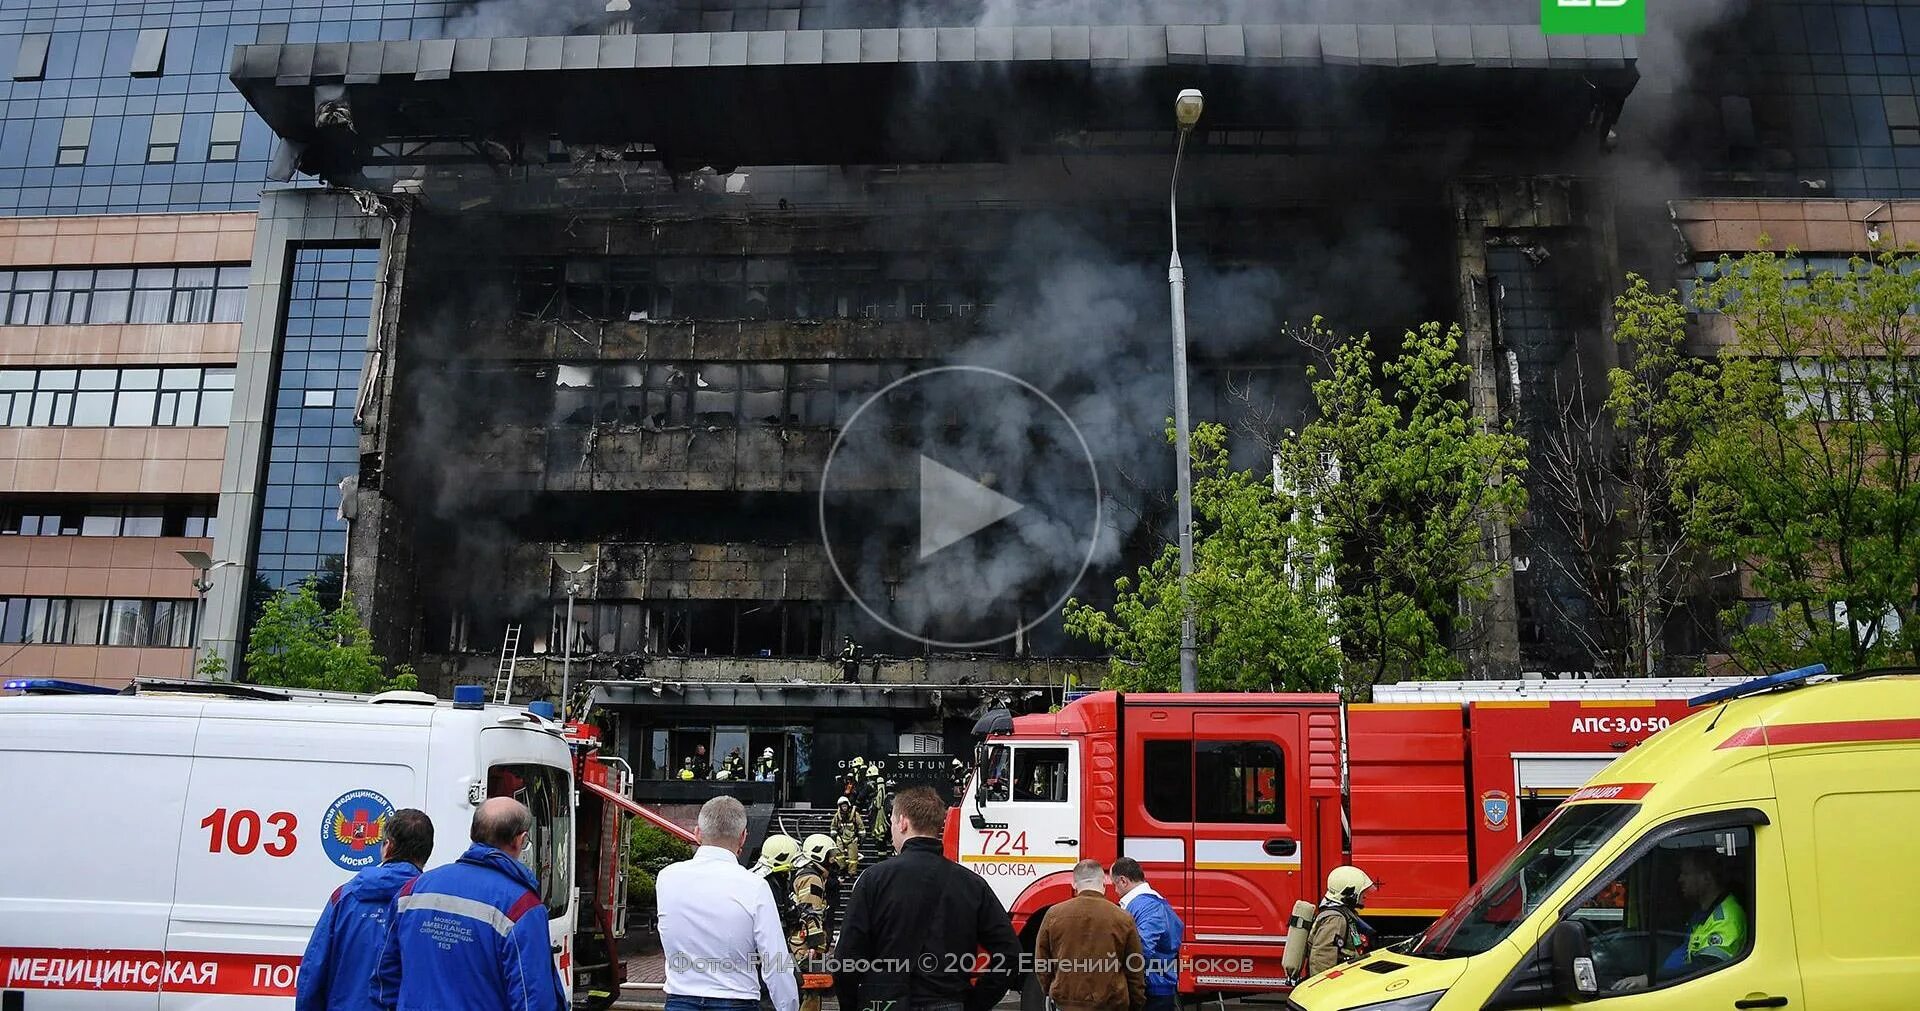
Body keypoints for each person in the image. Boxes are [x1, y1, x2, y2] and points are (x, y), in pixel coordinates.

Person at [832, 786, 1021, 1011]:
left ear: (902, 822)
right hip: (949, 1002)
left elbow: (846, 958)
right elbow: (1011, 954)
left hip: (884, 1003)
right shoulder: (971, 884)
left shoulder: (873, 880)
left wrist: (853, 1004)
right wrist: (975, 1003)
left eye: (892, 822)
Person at [371, 797, 565, 1011]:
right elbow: (533, 1001)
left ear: (473, 833)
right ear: (520, 840)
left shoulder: (413, 890)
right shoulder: (522, 908)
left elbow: (384, 977)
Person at [656, 797, 799, 1011]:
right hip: (737, 999)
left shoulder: (667, 878)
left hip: (681, 998)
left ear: (697, 833)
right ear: (743, 837)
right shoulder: (755, 886)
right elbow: (775, 962)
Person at [297, 809, 434, 1011]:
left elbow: (313, 972)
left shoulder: (344, 897)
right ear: (426, 853)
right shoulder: (431, 904)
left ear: (388, 846)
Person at [1613, 850, 1749, 991]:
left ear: (1706, 878)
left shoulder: (1726, 919)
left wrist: (1650, 980)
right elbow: (1681, 955)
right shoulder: (1702, 914)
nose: (1680, 879)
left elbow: (1705, 966)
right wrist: (1654, 980)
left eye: (1686, 873)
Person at [1033, 859, 1145, 1011]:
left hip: (1067, 1003)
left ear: (1074, 885)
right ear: (1104, 884)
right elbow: (1134, 967)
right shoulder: (1123, 917)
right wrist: (1136, 1003)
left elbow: (1042, 961)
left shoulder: (1053, 914)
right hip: (1111, 1004)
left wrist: (1053, 990)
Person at [1111, 858, 1183, 1011]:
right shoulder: (1155, 903)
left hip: (1152, 990)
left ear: (1123, 881)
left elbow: (1140, 950)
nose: (1115, 891)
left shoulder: (1147, 907)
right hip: (1158, 985)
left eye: (1114, 884)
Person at [1307, 865, 1379, 978]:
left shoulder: (1343, 914)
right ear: (1350, 894)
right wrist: (1326, 990)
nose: (1364, 896)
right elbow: (1322, 958)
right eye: (1361, 892)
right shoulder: (1336, 919)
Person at [830, 796, 863, 875]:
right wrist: (834, 836)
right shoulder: (837, 815)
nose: (844, 808)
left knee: (853, 858)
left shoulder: (855, 814)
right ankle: (842, 868)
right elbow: (833, 826)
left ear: (848, 805)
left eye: (845, 806)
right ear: (840, 807)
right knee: (838, 855)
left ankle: (852, 873)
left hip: (852, 838)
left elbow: (861, 826)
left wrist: (861, 838)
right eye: (842, 806)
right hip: (840, 838)